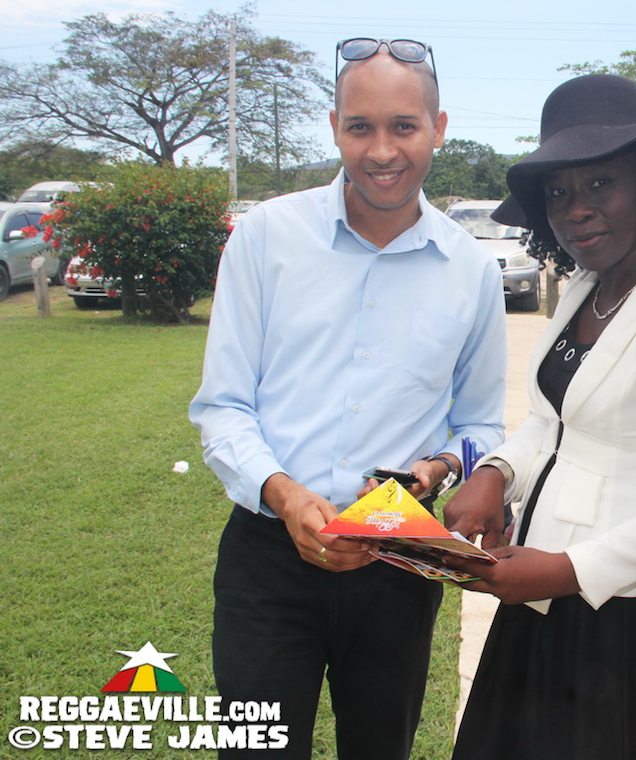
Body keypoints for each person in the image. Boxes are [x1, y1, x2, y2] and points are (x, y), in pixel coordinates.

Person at [188, 38, 507, 759]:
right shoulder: (267, 238)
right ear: (334, 126)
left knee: (379, 748)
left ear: (439, 127)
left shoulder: (471, 271)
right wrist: (282, 494)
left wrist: (434, 472)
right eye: (361, 127)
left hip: (395, 567)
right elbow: (224, 405)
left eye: (404, 126)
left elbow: (479, 427)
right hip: (267, 559)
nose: (382, 150)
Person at [441, 74, 636, 760]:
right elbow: (552, 421)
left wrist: (567, 570)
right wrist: (497, 475)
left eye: (600, 184)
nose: (577, 210)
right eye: (560, 193)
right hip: (542, 592)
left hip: (627, 608)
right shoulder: (585, 286)